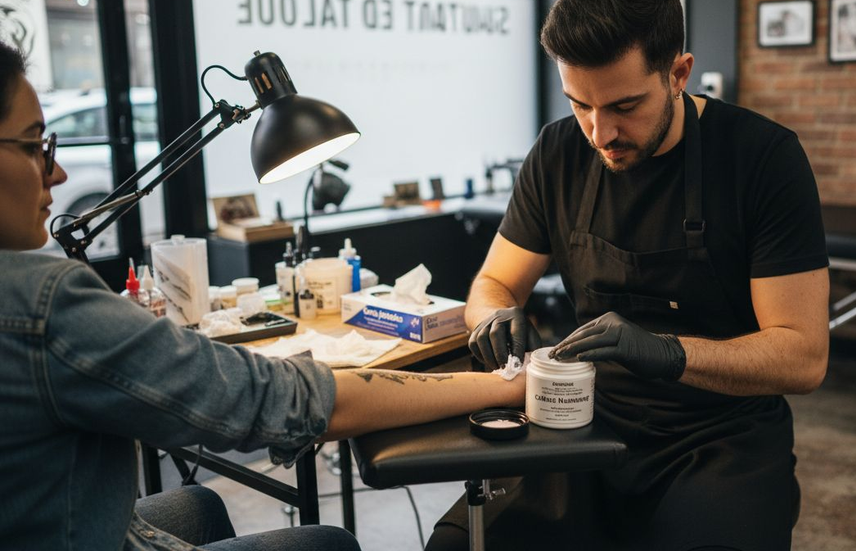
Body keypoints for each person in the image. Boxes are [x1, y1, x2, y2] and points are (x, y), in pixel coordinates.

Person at [0, 41, 525, 550]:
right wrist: (499, 388)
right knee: (328, 543)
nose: (58, 171)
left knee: (197, 505)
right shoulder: (42, 304)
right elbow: (287, 400)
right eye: (33, 146)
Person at [429, 0, 829, 550]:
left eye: (623, 106)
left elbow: (802, 357)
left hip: (720, 437)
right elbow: (494, 282)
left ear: (678, 73)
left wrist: (667, 353)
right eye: (580, 105)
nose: (599, 132)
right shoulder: (558, 152)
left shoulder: (762, 159)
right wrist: (492, 316)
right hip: (585, 419)